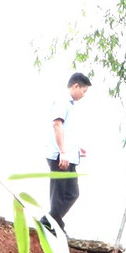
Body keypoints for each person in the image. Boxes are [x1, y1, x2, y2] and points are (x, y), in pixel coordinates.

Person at [44, 72, 92, 231]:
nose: (84, 95)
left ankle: (48, 221)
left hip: (69, 155)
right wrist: (63, 152)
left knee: (72, 193)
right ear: (75, 86)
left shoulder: (70, 104)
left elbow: (67, 130)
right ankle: (55, 226)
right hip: (60, 156)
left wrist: (76, 149)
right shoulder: (62, 101)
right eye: (83, 91)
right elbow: (57, 125)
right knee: (58, 194)